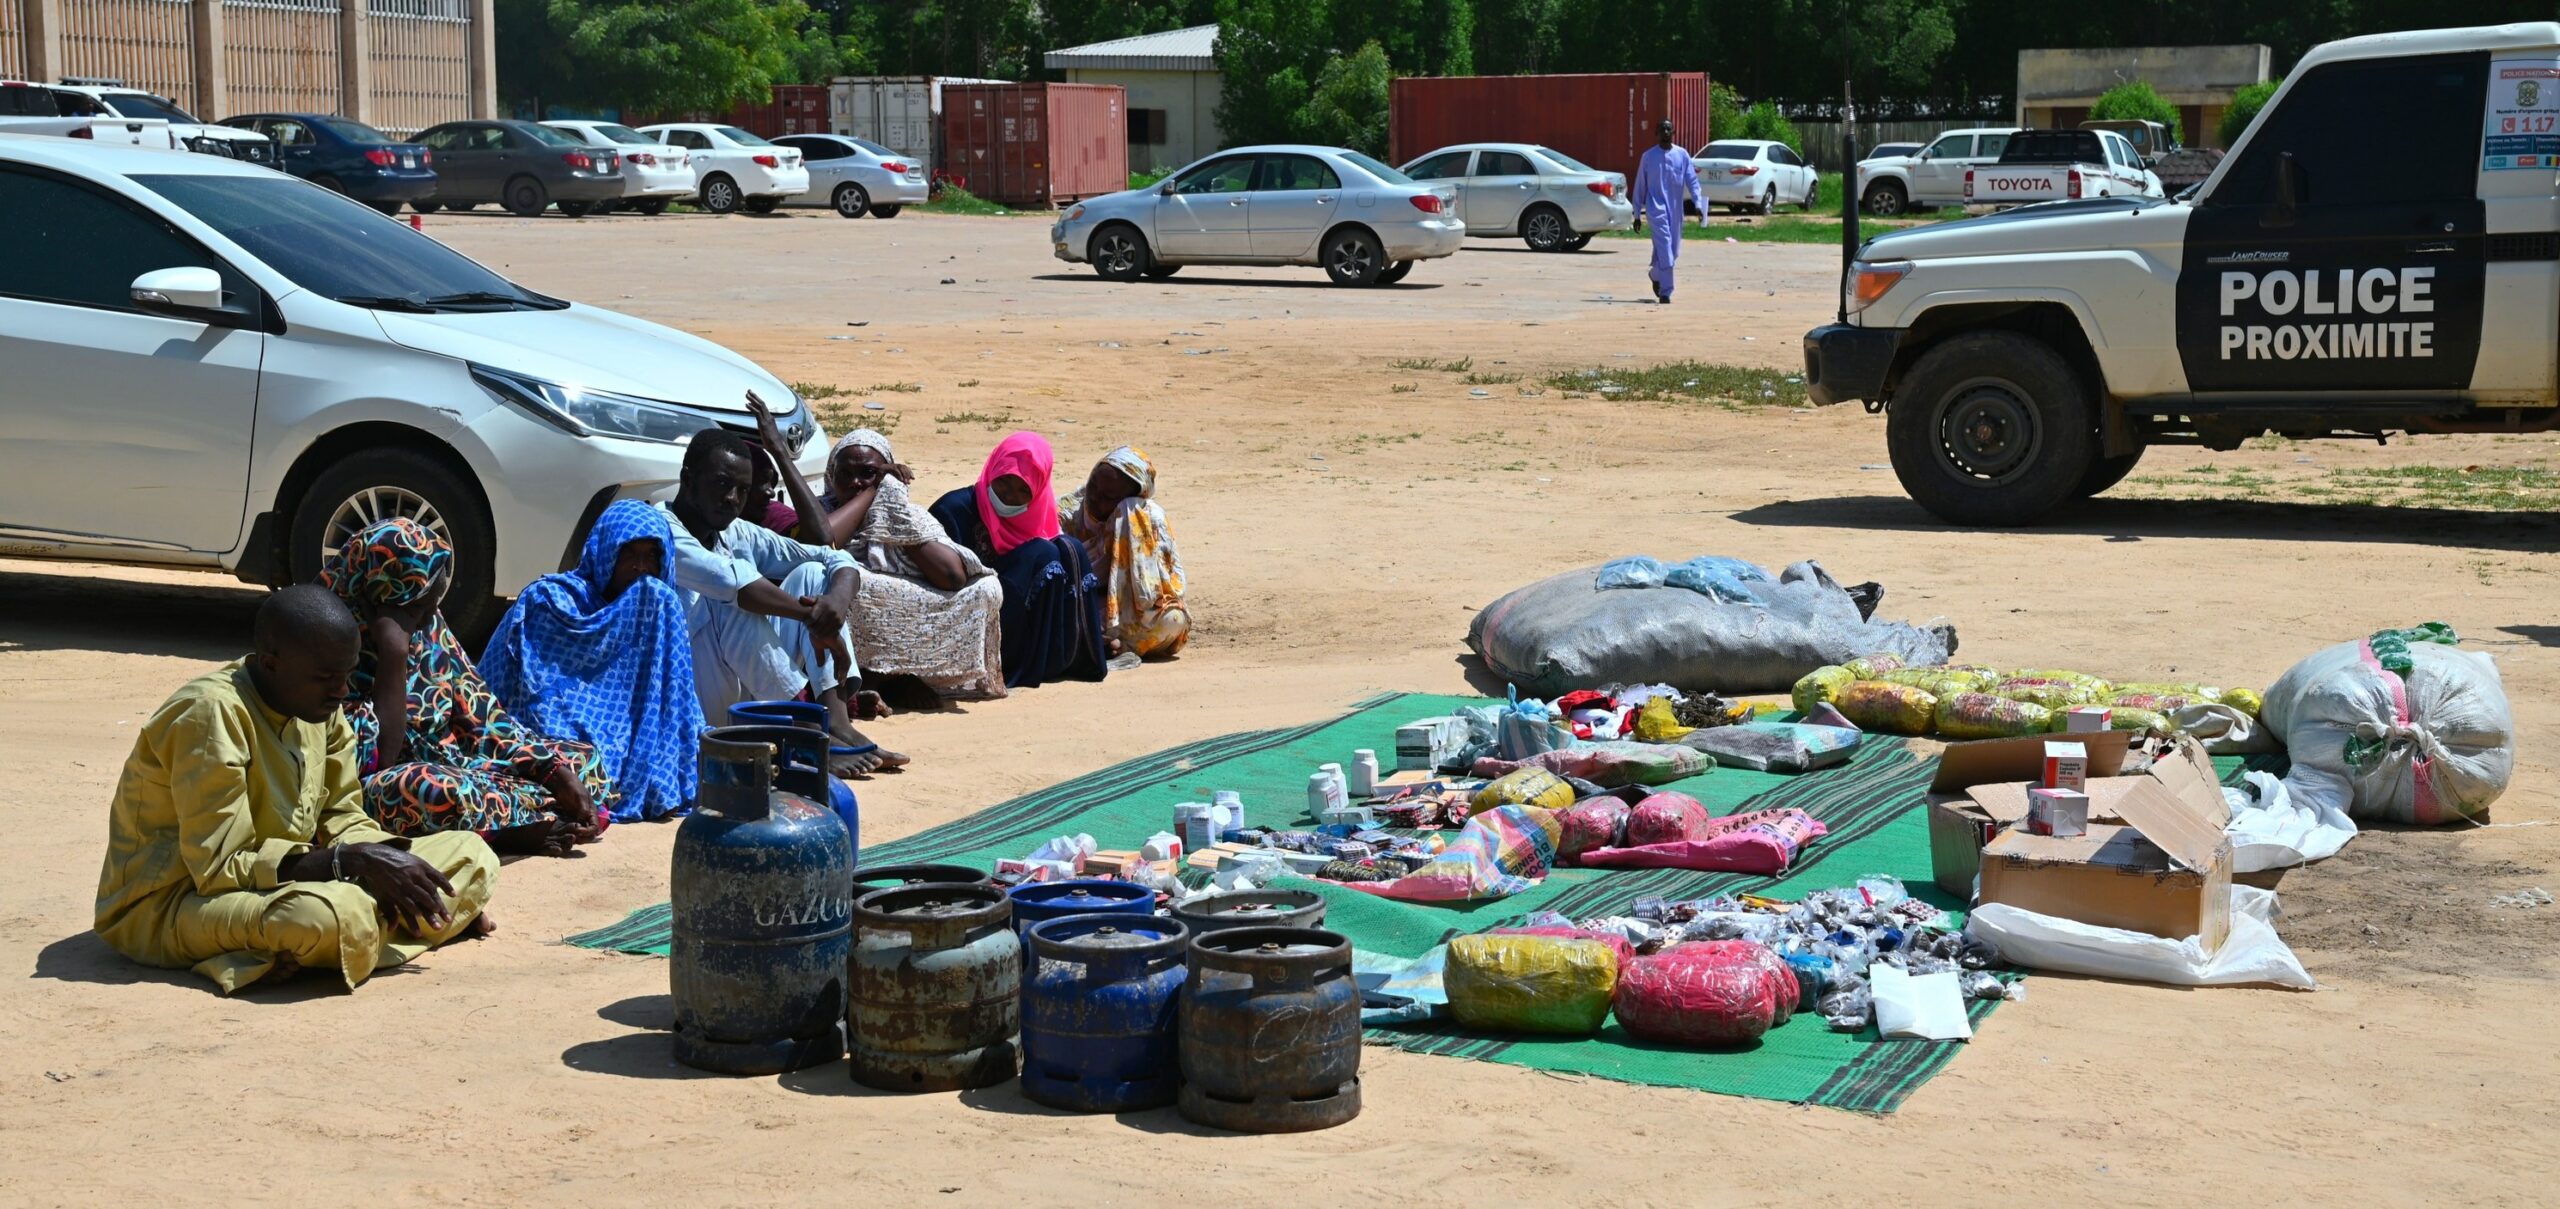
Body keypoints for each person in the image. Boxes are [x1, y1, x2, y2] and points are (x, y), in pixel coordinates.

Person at [94, 584, 497, 995]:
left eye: (346, 674)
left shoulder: (319, 707)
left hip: (285, 882)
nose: (341, 691)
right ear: (271, 664)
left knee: (472, 853)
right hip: (177, 904)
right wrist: (351, 864)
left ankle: (368, 932)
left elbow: (345, 819)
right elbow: (221, 871)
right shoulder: (212, 714)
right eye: (325, 678)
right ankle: (407, 926)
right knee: (325, 916)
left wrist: (397, 876)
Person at [325, 518, 610, 856]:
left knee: (583, 760)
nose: (431, 618)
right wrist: (393, 654)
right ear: (377, 595)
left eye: (434, 605)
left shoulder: (426, 624)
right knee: (425, 790)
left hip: (457, 762)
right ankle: (509, 831)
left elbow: (484, 717)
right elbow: (377, 762)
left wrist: (552, 772)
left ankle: (517, 815)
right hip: (386, 784)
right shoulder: (327, 639)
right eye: (419, 608)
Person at [664, 427, 906, 773]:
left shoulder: (734, 532)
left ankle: (836, 725)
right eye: (722, 484)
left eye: (742, 491)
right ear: (688, 480)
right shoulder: (661, 530)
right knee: (729, 601)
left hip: (739, 695)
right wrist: (814, 619)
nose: (733, 499)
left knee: (811, 574)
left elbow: (831, 555)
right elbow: (736, 585)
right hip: (687, 695)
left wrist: (833, 608)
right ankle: (806, 736)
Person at [752, 401, 1005, 701]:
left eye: (868, 474)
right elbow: (825, 540)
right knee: (837, 581)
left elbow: (952, 576)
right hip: (846, 605)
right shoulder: (821, 510)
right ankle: (863, 678)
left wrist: (891, 509)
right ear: (831, 477)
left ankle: (901, 674)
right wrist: (872, 492)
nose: (856, 482)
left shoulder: (908, 513)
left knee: (986, 587)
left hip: (906, 597)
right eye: (845, 474)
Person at [478, 500, 709, 823]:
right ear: (604, 552)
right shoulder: (550, 603)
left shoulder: (658, 609)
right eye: (629, 553)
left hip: (623, 760)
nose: (640, 567)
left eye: (651, 556)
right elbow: (489, 692)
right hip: (552, 749)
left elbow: (678, 707)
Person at [929, 432, 1108, 690]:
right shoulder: (953, 510)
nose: (1008, 497)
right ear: (993, 470)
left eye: (1023, 490)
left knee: (1070, 549)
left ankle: (1068, 654)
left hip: (1016, 622)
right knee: (1042, 553)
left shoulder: (1039, 519)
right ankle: (1015, 665)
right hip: (967, 621)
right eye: (1003, 483)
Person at [1060, 445, 1191, 662]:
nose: (1094, 498)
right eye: (1093, 486)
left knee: (1174, 621)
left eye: (1108, 496)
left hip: (1135, 616)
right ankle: (1095, 640)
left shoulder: (1149, 520)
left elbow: (1167, 592)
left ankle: (1110, 643)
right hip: (1083, 604)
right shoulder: (1067, 513)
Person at [1631, 119, 1702, 304]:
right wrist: (1637, 214)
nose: (1665, 131)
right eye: (1662, 128)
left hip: (1676, 209)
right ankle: (1666, 291)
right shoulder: (1648, 157)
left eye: (1668, 128)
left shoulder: (1682, 155)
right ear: (1656, 133)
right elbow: (1640, 185)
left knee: (1673, 251)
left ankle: (1655, 274)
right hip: (1655, 208)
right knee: (1665, 249)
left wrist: (1698, 203)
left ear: (1674, 131)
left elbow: (1692, 181)